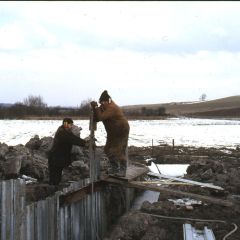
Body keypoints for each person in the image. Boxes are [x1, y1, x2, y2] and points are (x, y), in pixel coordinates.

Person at [91, 90, 130, 177]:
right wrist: (95, 108)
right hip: (112, 131)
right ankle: (114, 168)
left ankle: (123, 170)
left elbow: (101, 117)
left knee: (119, 150)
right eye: (101, 103)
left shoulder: (112, 107)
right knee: (107, 149)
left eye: (103, 102)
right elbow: (97, 117)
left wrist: (96, 108)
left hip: (121, 129)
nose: (102, 104)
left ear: (107, 100)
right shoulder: (105, 107)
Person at [48, 117, 88, 185]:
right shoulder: (62, 132)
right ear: (66, 124)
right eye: (71, 124)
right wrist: (85, 143)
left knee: (57, 174)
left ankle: (54, 187)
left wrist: (84, 142)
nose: (71, 126)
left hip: (58, 157)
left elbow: (74, 138)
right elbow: (72, 139)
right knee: (55, 175)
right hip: (55, 157)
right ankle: (53, 188)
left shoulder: (65, 131)